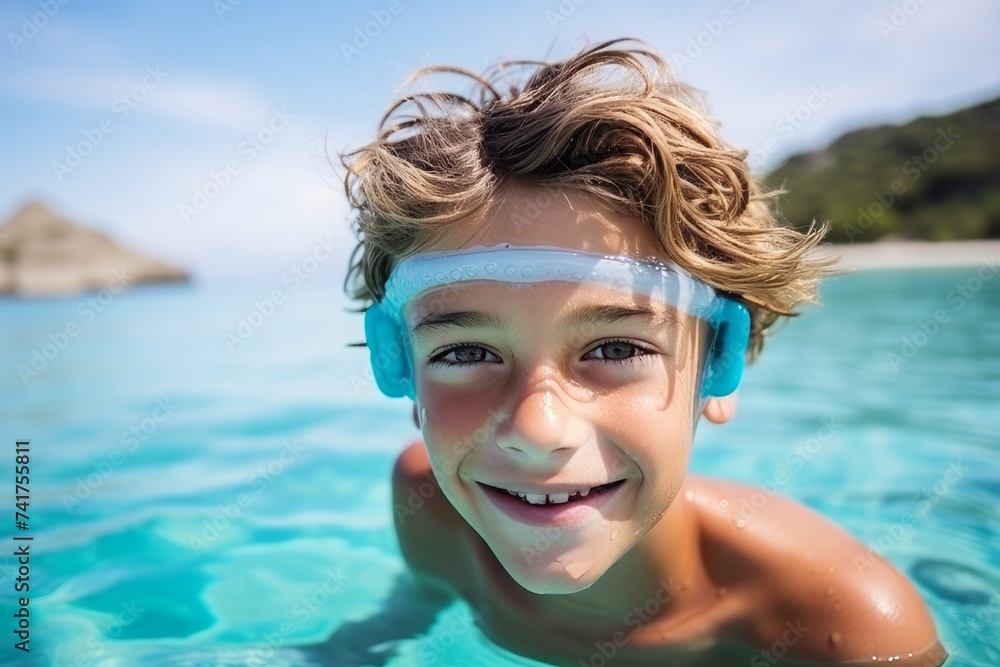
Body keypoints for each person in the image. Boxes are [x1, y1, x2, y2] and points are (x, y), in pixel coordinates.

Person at [332, 38, 947, 666]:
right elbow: (403, 622)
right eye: (463, 353)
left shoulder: (843, 628)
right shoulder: (429, 507)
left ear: (720, 362)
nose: (537, 430)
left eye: (617, 346)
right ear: (400, 363)